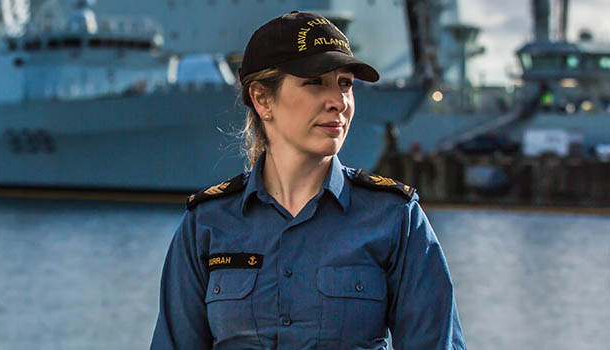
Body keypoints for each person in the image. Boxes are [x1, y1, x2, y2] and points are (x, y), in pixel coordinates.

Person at [150, 11, 466, 350]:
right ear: (262, 99)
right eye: (315, 81)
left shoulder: (396, 220)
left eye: (345, 83)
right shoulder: (207, 225)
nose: (339, 102)